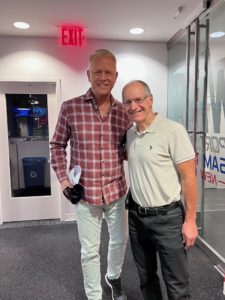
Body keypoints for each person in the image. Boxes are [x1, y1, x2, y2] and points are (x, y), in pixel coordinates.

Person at [50, 49, 131, 300]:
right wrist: (65, 182)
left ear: (115, 76)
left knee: (119, 242)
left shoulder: (124, 113)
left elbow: (130, 150)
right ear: (88, 74)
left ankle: (113, 277)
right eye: (98, 71)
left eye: (108, 72)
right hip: (85, 194)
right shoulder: (70, 108)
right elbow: (56, 145)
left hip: (116, 192)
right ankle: (94, 296)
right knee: (90, 250)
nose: (103, 77)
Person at [122, 80, 198, 300]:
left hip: (167, 219)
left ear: (150, 100)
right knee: (146, 278)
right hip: (136, 218)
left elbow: (189, 177)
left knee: (176, 283)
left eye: (138, 100)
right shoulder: (130, 134)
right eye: (128, 101)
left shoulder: (173, 130)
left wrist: (190, 221)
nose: (133, 106)